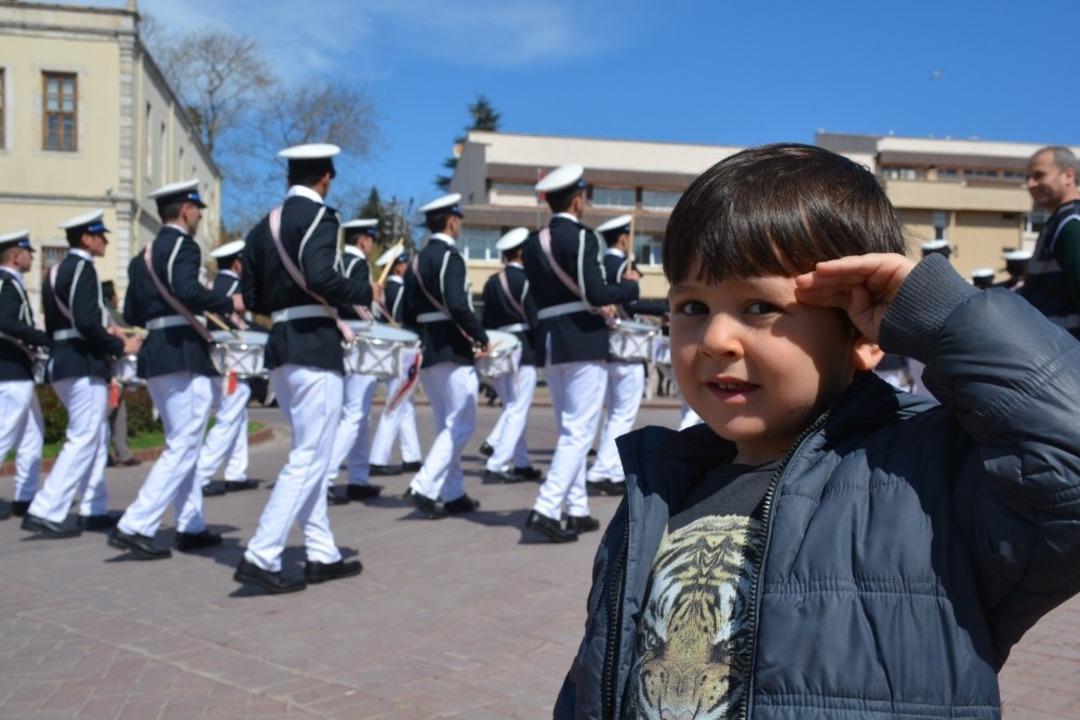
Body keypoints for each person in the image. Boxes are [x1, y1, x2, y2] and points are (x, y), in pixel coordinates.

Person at [554, 144, 1080, 719]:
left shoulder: (927, 477)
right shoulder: (656, 489)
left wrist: (945, 317)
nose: (715, 340)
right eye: (692, 306)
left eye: (758, 306)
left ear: (863, 333)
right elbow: (597, 674)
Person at [236, 143, 365, 593]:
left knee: (311, 452)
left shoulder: (259, 229)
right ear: (326, 177)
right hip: (314, 344)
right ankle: (262, 553)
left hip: (281, 346)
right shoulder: (320, 217)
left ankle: (320, 550)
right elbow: (320, 276)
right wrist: (362, 290)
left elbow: (250, 299)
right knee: (310, 456)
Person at [110, 180, 239, 560]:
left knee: (181, 443)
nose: (199, 216)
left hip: (157, 354)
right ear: (185, 210)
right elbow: (187, 289)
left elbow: (132, 313)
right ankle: (137, 523)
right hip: (183, 352)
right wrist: (227, 301)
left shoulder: (142, 256)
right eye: (197, 209)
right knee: (184, 444)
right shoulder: (184, 246)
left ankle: (190, 524)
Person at [521, 165, 639, 543]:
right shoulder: (583, 238)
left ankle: (575, 507)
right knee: (579, 430)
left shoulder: (531, 242)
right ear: (576, 199)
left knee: (568, 428)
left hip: (552, 341)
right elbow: (595, 294)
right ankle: (547, 506)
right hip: (583, 339)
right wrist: (629, 290)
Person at [24, 211, 138, 538]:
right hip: (82, 362)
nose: (105, 241)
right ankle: (47, 508)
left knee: (96, 436)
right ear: (87, 239)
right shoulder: (84, 269)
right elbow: (87, 322)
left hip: (64, 361)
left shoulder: (56, 270)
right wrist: (119, 344)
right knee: (85, 436)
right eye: (100, 236)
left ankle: (93, 506)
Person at [403, 193, 489, 519]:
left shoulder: (415, 261)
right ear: (451, 221)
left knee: (447, 425)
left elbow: (406, 312)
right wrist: (480, 336)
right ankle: (424, 486)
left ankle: (452, 493)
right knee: (462, 423)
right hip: (453, 349)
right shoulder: (450, 258)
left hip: (428, 348)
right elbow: (457, 304)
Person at [585, 214, 667, 497]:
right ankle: (604, 470)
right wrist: (661, 308)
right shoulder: (622, 265)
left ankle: (606, 468)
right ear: (622, 238)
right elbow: (628, 305)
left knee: (613, 413)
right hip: (626, 348)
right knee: (623, 413)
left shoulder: (600, 265)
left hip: (606, 348)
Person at [323, 217, 383, 504]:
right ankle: (327, 478)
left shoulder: (336, 262)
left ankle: (359, 477)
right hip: (358, 337)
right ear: (362, 240)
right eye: (370, 239)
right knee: (355, 414)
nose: (372, 245)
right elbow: (354, 303)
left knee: (359, 413)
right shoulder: (358, 265)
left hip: (341, 337)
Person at [478, 227, 543, 484]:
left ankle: (521, 461)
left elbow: (486, 320)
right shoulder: (527, 280)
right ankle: (497, 461)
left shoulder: (492, 282)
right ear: (521, 252)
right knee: (518, 409)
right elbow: (535, 320)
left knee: (512, 407)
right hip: (523, 349)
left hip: (500, 348)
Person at [195, 239, 259, 496]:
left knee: (237, 417)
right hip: (233, 363)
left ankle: (236, 472)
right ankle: (202, 474)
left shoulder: (212, 286)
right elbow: (242, 328)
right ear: (236, 263)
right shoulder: (234, 288)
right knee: (229, 417)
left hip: (216, 362)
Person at [0, 230, 48, 520]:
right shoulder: (8, 284)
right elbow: (4, 321)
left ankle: (25, 497)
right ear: (16, 257)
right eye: (28, 252)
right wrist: (40, 338)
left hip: (18, 371)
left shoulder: (9, 283)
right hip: (10, 371)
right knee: (3, 434)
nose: (32, 256)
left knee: (33, 434)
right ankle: (24, 495)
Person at [368, 249, 422, 476]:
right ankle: (378, 458)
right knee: (397, 402)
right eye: (406, 263)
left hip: (390, 350)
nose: (408, 266)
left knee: (404, 404)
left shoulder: (383, 291)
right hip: (404, 349)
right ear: (398, 266)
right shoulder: (400, 289)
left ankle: (412, 456)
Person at [1021, 146, 1080, 338]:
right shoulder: (1059, 220)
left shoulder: (1070, 223)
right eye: (1027, 177)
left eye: (1039, 175)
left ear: (1069, 176)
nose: (1031, 184)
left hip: (1067, 354)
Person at [101, 280, 140, 469]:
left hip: (114, 367)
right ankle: (102, 452)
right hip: (113, 367)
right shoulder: (109, 313)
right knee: (105, 412)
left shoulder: (104, 312)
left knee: (118, 411)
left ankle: (122, 452)